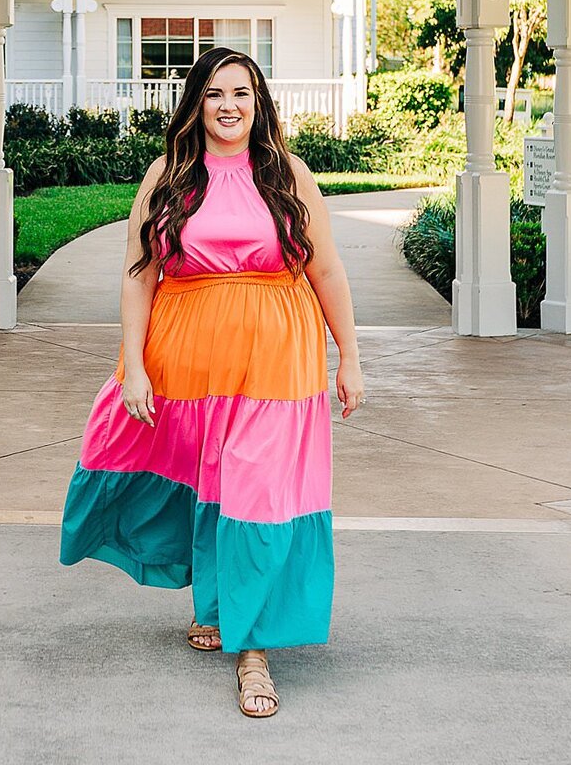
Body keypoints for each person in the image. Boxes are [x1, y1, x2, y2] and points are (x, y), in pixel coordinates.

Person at [59, 46, 365, 719]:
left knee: (260, 494)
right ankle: (221, 605)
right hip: (187, 357)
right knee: (212, 486)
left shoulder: (287, 174)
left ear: (260, 105)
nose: (229, 106)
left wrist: (350, 356)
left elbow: (329, 272)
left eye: (243, 94)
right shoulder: (169, 174)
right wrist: (133, 362)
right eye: (216, 94)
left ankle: (255, 653)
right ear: (196, 103)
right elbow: (140, 273)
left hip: (278, 359)